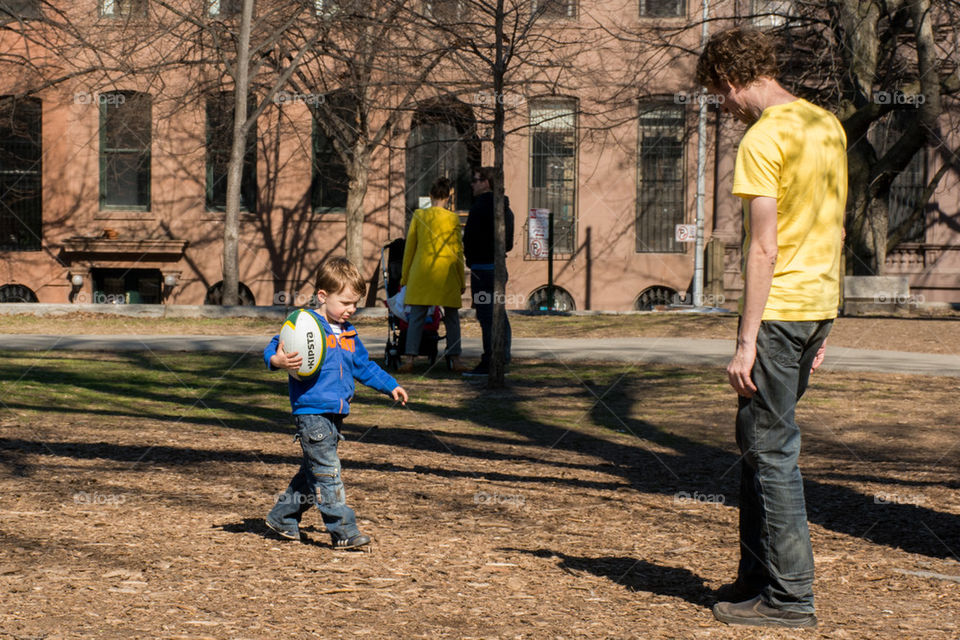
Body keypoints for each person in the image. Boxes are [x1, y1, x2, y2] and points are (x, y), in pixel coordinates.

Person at [696, 28, 847, 628]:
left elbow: (763, 247)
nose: (723, 108)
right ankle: (758, 579)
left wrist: (744, 342)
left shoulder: (762, 139)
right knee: (759, 448)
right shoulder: (826, 125)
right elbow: (835, 231)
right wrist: (829, 322)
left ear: (730, 81)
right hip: (814, 308)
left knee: (772, 452)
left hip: (780, 314)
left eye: (718, 95)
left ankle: (791, 599)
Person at [264, 257, 408, 549]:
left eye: (355, 304)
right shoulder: (305, 324)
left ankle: (282, 516)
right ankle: (344, 530)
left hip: (336, 413)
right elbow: (275, 344)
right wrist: (276, 360)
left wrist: (391, 386)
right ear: (323, 296)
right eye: (345, 303)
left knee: (312, 471)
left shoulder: (349, 334)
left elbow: (364, 367)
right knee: (328, 472)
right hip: (311, 411)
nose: (351, 309)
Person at [398, 176, 467, 372]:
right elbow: (458, 252)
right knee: (452, 318)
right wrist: (461, 280)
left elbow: (410, 248)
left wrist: (405, 278)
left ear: (430, 195)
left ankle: (410, 360)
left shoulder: (419, 215)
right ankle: (455, 359)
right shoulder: (453, 218)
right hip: (446, 274)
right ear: (449, 197)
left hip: (422, 274)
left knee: (417, 317)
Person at [462, 166, 514, 376]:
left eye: (475, 180)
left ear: (486, 182)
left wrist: (471, 257)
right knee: (498, 313)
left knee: (487, 316)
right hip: (498, 268)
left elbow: (470, 238)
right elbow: (507, 243)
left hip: (482, 269)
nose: (472, 185)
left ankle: (491, 360)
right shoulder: (505, 208)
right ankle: (502, 357)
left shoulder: (480, 207)